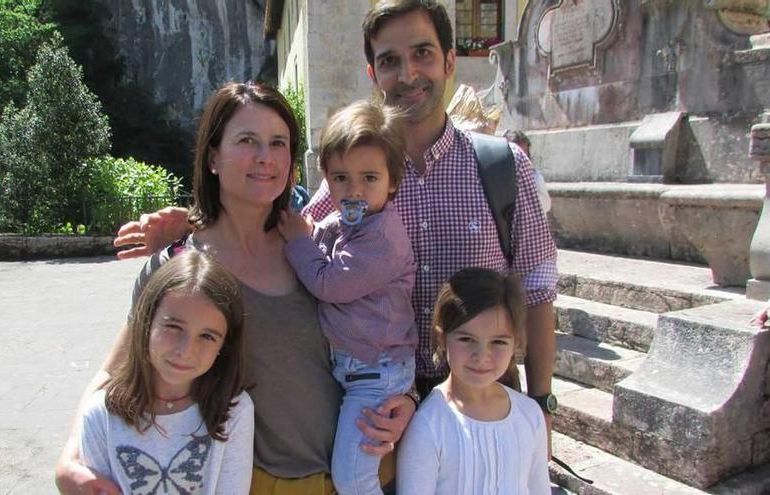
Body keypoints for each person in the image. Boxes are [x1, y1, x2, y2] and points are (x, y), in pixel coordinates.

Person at [116, 0, 556, 447]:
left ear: (448, 61)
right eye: (389, 61)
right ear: (373, 75)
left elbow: (538, 293)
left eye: (422, 53)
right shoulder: (349, 182)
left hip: (481, 396)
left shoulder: (504, 168)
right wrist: (195, 225)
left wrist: (541, 406)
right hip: (379, 401)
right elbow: (282, 231)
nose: (407, 74)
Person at [56, 81, 414, 495]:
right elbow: (115, 371)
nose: (265, 157)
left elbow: (386, 325)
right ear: (213, 156)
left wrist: (407, 399)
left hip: (368, 468)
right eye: (247, 140)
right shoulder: (180, 266)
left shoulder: (316, 244)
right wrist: (71, 458)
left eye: (278, 143)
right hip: (258, 483)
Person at [276, 100, 416, 495]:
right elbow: (320, 232)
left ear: (392, 182)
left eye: (369, 178)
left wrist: (300, 241)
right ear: (326, 179)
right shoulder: (349, 221)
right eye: (340, 178)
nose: (353, 190)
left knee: (353, 479)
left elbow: (329, 283)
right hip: (359, 369)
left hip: (377, 375)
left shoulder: (383, 239)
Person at [79, 250, 253, 494]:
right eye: (173, 327)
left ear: (224, 345)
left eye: (207, 336)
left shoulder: (234, 410)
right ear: (146, 321)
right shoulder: (100, 414)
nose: (186, 350)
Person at [397, 268, 550, 494]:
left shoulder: (530, 415)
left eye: (498, 342)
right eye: (467, 339)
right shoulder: (428, 426)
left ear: (515, 342)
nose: (481, 355)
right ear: (442, 338)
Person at [503, 129, 551, 214]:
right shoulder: (497, 176)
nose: (521, 159)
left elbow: (546, 205)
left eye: (524, 154)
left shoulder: (534, 176)